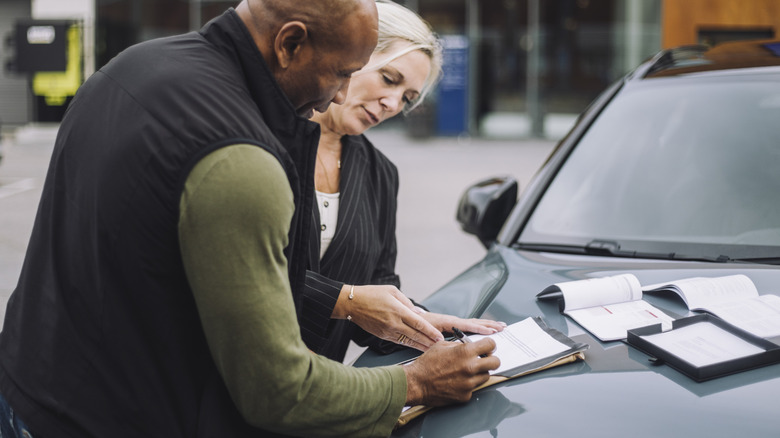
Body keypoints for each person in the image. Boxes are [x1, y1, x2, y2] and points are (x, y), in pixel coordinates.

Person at [0, 1, 498, 437]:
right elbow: (276, 389)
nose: (346, 94)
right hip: (123, 417)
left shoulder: (132, 67)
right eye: (351, 72)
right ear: (291, 43)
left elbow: (149, 257)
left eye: (408, 99)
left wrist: (410, 320)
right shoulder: (245, 155)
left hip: (36, 390)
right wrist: (415, 381)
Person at [298, 0, 505, 362]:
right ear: (352, 55)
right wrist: (349, 302)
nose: (393, 103)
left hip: (316, 396)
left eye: (408, 98)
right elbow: (242, 277)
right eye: (389, 79)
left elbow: (378, 290)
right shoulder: (262, 142)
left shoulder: (380, 172)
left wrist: (427, 327)